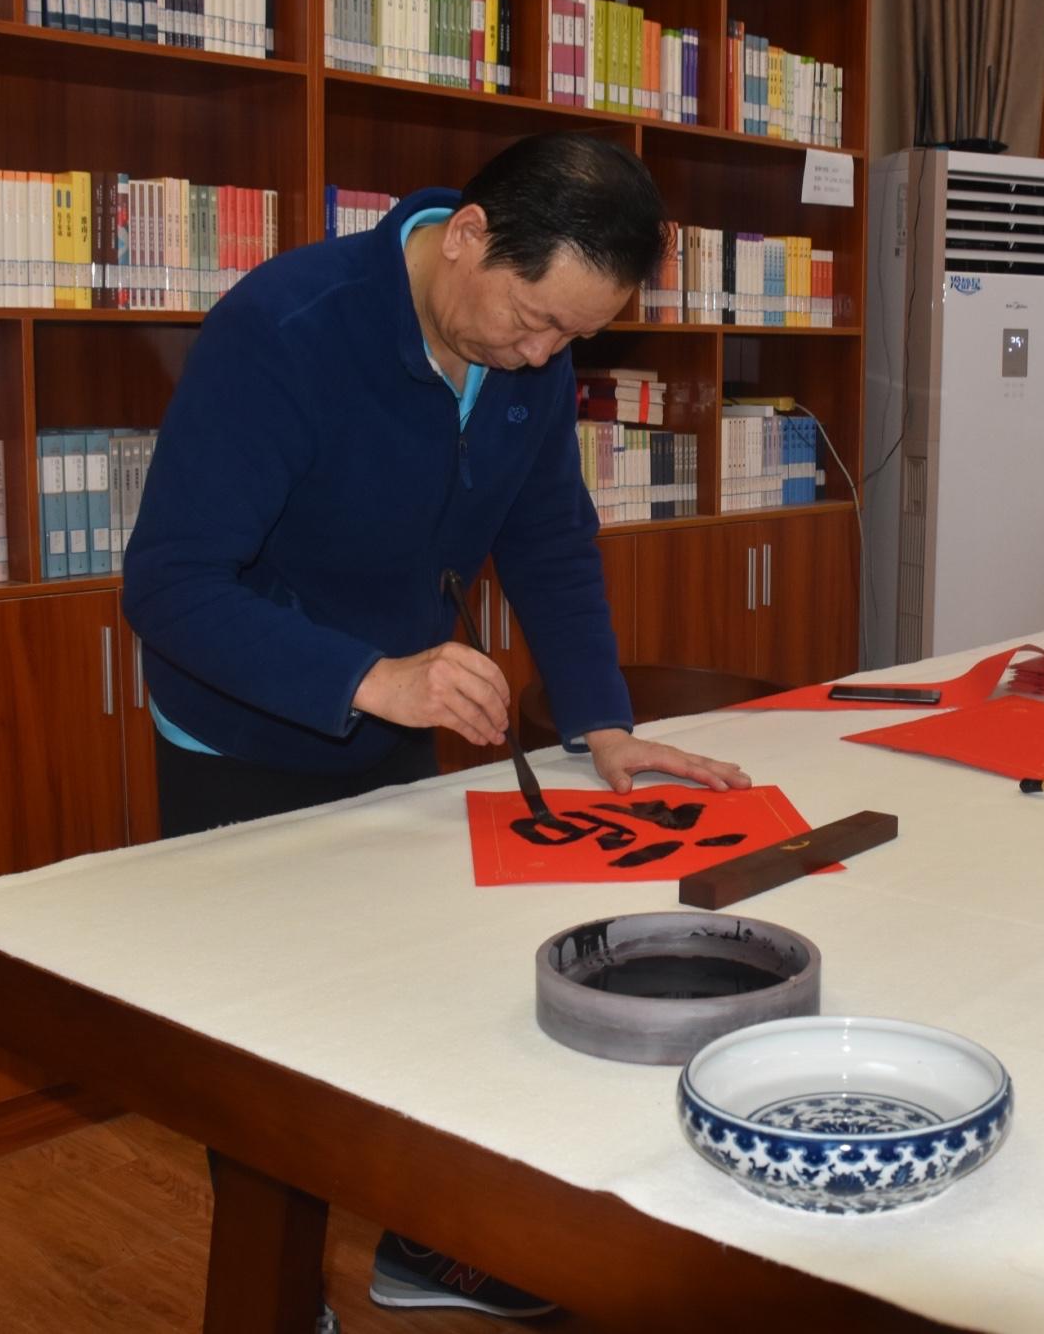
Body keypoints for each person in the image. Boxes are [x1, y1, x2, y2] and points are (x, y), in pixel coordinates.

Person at [122, 132, 750, 1324]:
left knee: (408, 1012)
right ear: (467, 236)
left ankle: (425, 1245)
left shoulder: (522, 351)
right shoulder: (285, 330)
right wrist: (371, 676)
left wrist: (604, 723)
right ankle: (270, 1293)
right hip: (243, 734)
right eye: (537, 320)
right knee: (264, 1052)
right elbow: (171, 584)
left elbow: (548, 536)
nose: (543, 355)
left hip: (390, 710)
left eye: (572, 337)